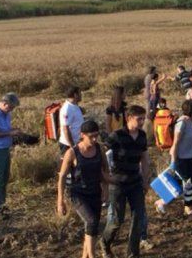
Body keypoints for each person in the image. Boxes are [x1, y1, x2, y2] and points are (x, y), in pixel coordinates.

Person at [101, 105, 151, 258]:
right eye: (139, 119)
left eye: (143, 118)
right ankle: (105, 242)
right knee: (117, 220)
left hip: (135, 182)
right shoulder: (117, 135)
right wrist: (105, 177)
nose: (142, 121)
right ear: (129, 118)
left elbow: (144, 158)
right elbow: (103, 153)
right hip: (118, 184)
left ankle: (133, 253)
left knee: (138, 218)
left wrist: (146, 180)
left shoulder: (142, 135)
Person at [58, 120, 110, 258]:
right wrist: (60, 201)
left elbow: (105, 169)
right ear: (82, 135)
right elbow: (62, 176)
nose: (94, 139)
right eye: (91, 136)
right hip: (78, 193)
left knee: (92, 227)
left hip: (95, 192)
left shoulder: (99, 149)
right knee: (91, 221)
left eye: (96, 136)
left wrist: (106, 189)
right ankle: (92, 255)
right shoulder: (72, 153)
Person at [155, 100, 192, 216]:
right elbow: (175, 143)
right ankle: (166, 203)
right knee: (186, 183)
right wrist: (173, 162)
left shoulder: (189, 121)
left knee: (183, 183)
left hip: (188, 158)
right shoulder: (182, 123)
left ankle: (168, 203)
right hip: (181, 159)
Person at [60, 86, 84, 155]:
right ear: (75, 95)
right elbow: (65, 129)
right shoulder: (67, 109)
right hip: (68, 145)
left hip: (77, 142)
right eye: (80, 93)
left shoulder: (74, 105)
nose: (81, 95)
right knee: (66, 164)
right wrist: (73, 146)